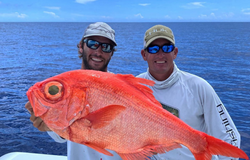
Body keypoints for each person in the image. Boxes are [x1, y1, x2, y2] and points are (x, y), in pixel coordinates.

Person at [137, 25, 241, 160]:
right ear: (144, 55)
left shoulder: (199, 87)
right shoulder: (135, 86)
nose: (160, 54)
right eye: (153, 48)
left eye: (167, 48)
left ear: (175, 52)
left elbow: (229, 136)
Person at [25, 22, 122, 160]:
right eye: (93, 43)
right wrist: (50, 124)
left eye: (106, 47)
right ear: (81, 46)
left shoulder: (123, 89)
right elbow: (62, 135)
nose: (98, 51)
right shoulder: (67, 87)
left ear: (111, 53)